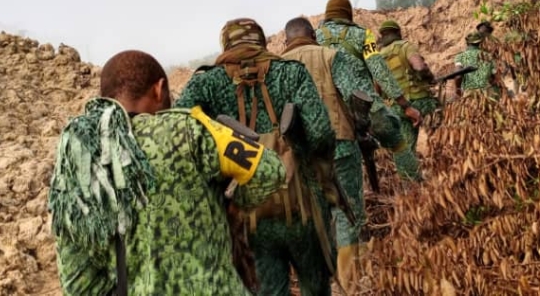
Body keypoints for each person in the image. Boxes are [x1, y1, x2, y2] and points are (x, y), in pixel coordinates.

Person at [50, 50, 287, 295]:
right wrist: (236, 205)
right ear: (159, 88)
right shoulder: (187, 128)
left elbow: (78, 282)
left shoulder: (79, 158)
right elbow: (269, 171)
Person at [176, 18, 338, 296]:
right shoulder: (291, 73)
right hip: (302, 207)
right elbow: (321, 133)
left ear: (226, 44)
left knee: (268, 290)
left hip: (246, 215)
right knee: (316, 287)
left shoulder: (206, 83)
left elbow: (179, 135)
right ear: (261, 42)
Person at [279, 17, 400, 294]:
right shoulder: (333, 56)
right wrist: (372, 130)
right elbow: (360, 96)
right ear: (314, 35)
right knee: (346, 213)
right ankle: (349, 283)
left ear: (286, 41)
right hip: (339, 146)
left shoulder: (275, 69)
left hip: (295, 157)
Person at [315, 0, 419, 140]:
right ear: (348, 13)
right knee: (396, 138)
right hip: (365, 106)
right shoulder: (363, 35)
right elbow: (379, 71)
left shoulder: (313, 37)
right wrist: (405, 105)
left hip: (328, 110)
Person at [377, 20, 440, 182]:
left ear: (382, 36)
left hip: (397, 107)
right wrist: (430, 78)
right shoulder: (405, 46)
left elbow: (377, 88)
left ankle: (409, 181)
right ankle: (445, 161)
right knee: (441, 122)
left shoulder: (379, 57)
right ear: (398, 33)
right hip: (419, 101)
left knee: (404, 144)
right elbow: (419, 67)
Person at [453, 32, 499, 97]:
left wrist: (458, 89)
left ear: (467, 43)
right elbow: (495, 76)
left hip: (469, 93)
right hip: (487, 94)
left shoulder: (461, 57)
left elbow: (458, 76)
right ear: (480, 43)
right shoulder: (488, 56)